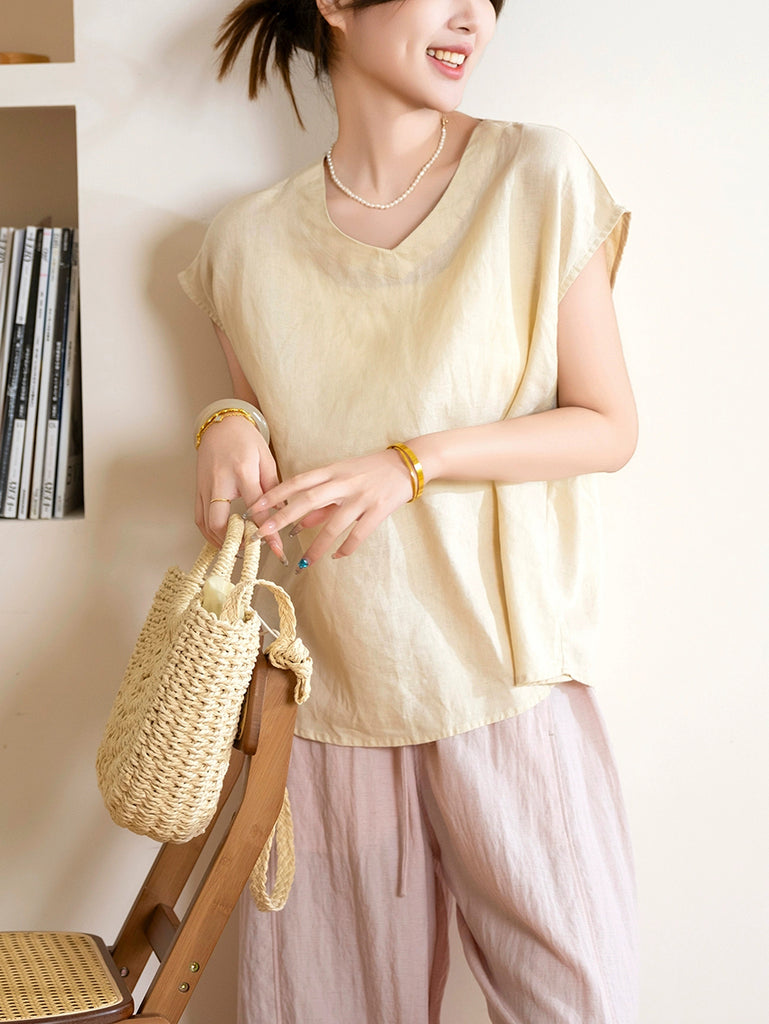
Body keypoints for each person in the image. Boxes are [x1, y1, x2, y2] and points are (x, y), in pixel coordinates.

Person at [178, 0, 640, 1020]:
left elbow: (606, 425)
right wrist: (223, 421)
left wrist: (413, 463)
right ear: (337, 5)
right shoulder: (244, 242)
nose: (473, 18)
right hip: (329, 696)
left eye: (488, 0)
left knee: (579, 1004)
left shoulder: (535, 176)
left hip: (505, 681)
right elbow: (267, 418)